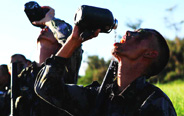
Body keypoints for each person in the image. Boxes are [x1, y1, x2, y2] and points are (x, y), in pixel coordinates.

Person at [34, 7, 177, 116]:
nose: (128, 32)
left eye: (140, 34)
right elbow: (46, 88)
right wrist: (73, 41)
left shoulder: (155, 102)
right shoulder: (98, 97)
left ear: (150, 54)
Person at [15, 6, 83, 116]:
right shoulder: (24, 75)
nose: (45, 28)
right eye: (45, 27)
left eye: (50, 28)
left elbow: (72, 39)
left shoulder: (64, 67)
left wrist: (50, 20)